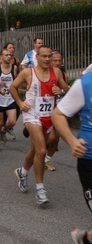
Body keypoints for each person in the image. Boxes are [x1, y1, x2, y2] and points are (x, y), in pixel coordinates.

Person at [10, 45, 69, 205]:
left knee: (36, 148)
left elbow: (65, 88)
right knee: (42, 150)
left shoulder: (56, 72)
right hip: (32, 114)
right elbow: (13, 87)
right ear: (37, 57)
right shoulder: (28, 72)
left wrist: (61, 91)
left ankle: (22, 172)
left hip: (49, 115)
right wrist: (20, 102)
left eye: (50, 56)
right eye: (44, 56)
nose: (48, 59)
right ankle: (40, 189)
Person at [51, 71, 92, 244]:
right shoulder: (85, 84)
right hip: (89, 160)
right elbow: (58, 114)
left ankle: (85, 238)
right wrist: (71, 141)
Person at [44, 51, 69, 171]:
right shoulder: (43, 73)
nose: (58, 63)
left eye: (60, 61)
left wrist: (62, 92)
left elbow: (67, 90)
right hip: (44, 110)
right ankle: (39, 151)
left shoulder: (63, 75)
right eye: (55, 61)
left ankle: (47, 160)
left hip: (58, 110)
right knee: (51, 137)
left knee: (56, 139)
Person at [0, 49, 19, 152]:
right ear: (1, 57)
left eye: (10, 55)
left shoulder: (14, 68)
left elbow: (17, 81)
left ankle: (3, 131)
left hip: (10, 99)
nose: (8, 57)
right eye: (6, 55)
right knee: (0, 122)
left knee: (12, 121)